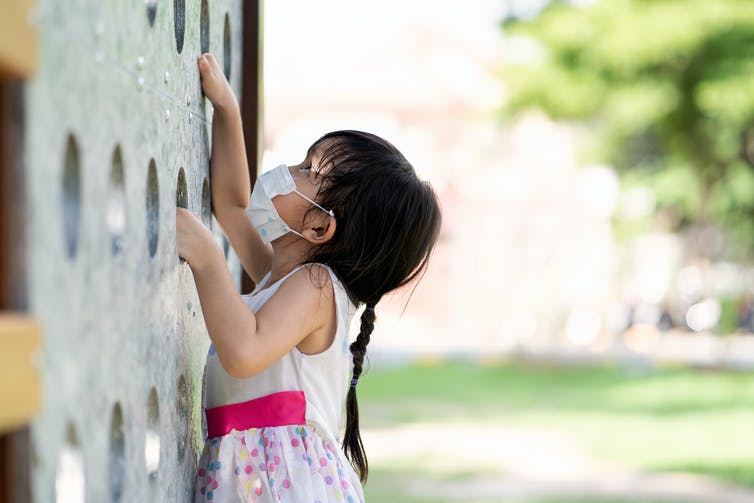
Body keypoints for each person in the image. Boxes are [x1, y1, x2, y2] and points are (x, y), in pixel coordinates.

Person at [176, 52, 442, 502]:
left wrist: (207, 258)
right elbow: (233, 205)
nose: (288, 171)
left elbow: (243, 351)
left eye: (307, 171)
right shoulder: (282, 277)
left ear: (320, 227)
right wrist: (226, 109)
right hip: (252, 481)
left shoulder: (316, 287)